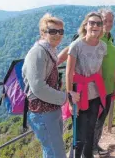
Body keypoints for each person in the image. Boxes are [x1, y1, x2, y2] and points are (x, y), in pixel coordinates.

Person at [22, 13, 80, 158]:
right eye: (52, 31)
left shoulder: (49, 51)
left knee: (52, 150)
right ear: (43, 33)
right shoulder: (37, 53)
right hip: (42, 112)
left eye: (60, 31)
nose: (57, 35)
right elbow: (38, 87)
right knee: (56, 153)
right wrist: (65, 97)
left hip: (51, 109)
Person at [65, 12, 107, 158]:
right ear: (86, 25)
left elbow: (99, 70)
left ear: (102, 28)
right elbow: (69, 73)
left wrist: (101, 91)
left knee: (90, 131)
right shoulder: (76, 46)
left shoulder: (103, 46)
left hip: (95, 93)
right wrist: (70, 97)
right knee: (79, 135)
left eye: (98, 23)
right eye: (92, 23)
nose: (95, 26)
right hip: (80, 94)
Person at [93, 8, 115, 156]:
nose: (108, 24)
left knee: (101, 119)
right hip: (96, 88)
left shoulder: (109, 38)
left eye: (110, 21)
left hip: (108, 86)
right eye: (105, 21)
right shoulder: (96, 39)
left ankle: (95, 145)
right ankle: (90, 148)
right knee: (95, 119)